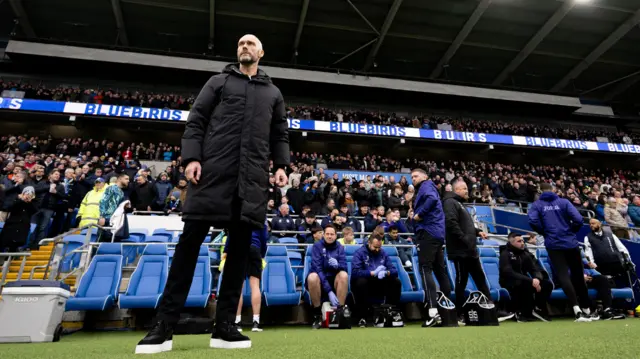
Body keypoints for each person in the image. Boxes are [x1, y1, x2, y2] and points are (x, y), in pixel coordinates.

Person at [136, 34, 289, 353]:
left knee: (238, 258)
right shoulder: (217, 82)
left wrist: (282, 165)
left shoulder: (273, 93)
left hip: (250, 184)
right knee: (187, 250)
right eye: (240, 43)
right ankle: (164, 326)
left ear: (261, 52)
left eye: (251, 43)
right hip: (210, 178)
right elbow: (196, 122)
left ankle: (225, 327)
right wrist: (191, 158)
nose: (244, 46)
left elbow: (280, 135)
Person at [528, 182, 592, 322]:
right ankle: (587, 308)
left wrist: (543, 231)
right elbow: (578, 219)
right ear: (554, 190)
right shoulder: (564, 202)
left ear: (540, 191)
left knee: (563, 275)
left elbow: (532, 220)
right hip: (570, 242)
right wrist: (571, 231)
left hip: (554, 244)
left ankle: (576, 309)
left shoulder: (537, 205)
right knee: (578, 274)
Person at [443, 180, 498, 313]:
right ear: (456, 190)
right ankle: (460, 312)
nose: (467, 191)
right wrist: (464, 238)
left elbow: (466, 226)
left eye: (466, 189)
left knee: (480, 279)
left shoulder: (461, 204)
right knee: (462, 280)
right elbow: (451, 223)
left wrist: (478, 232)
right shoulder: (450, 202)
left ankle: (491, 308)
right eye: (463, 189)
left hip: (469, 249)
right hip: (460, 249)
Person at [410, 168, 452, 327]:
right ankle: (447, 311)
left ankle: (433, 312)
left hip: (428, 233)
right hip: (437, 234)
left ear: (425, 176)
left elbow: (432, 200)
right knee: (440, 271)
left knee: (425, 269)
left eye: (416, 176)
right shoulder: (429, 186)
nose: (413, 179)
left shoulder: (426, 186)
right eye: (412, 177)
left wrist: (418, 215)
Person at [221, 220, 268, 333]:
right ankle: (256, 322)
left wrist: (226, 250)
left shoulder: (239, 215)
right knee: (255, 285)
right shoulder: (261, 218)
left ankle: (237, 322)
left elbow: (231, 235)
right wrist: (260, 254)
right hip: (254, 249)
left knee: (239, 287)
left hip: (239, 248)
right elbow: (263, 240)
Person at [350, 234, 401, 327]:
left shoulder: (383, 253)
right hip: (364, 283)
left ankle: (391, 313)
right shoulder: (359, 253)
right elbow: (355, 273)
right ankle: (362, 317)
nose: (377, 249)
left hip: (379, 283)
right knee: (361, 282)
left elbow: (394, 270)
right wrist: (372, 273)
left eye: (379, 247)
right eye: (375, 247)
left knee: (396, 282)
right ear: (369, 243)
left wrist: (387, 273)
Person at [499, 233, 552, 322]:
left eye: (523, 241)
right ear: (511, 243)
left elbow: (534, 269)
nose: (522, 243)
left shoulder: (525, 254)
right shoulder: (505, 254)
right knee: (524, 284)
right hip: (509, 282)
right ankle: (522, 313)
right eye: (519, 241)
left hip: (525, 280)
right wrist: (530, 280)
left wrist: (537, 279)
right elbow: (508, 272)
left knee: (547, 284)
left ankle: (538, 308)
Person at [306, 224, 348, 329]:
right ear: (323, 235)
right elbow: (318, 269)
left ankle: (339, 314)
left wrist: (338, 266)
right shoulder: (317, 246)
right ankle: (317, 315)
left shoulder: (340, 247)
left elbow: (345, 267)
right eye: (327, 234)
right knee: (312, 277)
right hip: (320, 280)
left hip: (334, 280)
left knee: (343, 275)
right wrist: (329, 291)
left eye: (332, 234)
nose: (329, 236)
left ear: (336, 236)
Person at [0, 186, 38, 255]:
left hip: (22, 227)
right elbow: (8, 208)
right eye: (26, 193)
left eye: (30, 194)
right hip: (11, 226)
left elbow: (34, 211)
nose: (28, 195)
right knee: (5, 242)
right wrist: (20, 200)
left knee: (15, 245)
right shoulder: (16, 199)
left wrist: (29, 202)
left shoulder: (33, 203)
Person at [97, 173, 130, 242]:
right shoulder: (111, 188)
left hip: (114, 220)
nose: (128, 181)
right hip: (107, 218)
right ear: (120, 179)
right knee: (103, 241)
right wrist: (102, 216)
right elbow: (103, 201)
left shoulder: (121, 191)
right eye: (126, 179)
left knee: (113, 239)